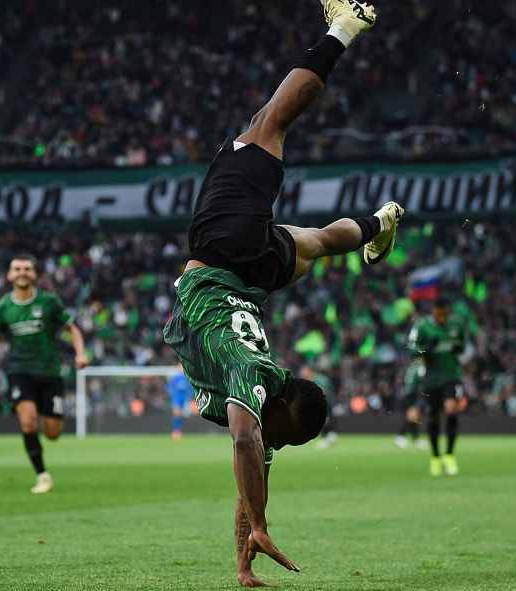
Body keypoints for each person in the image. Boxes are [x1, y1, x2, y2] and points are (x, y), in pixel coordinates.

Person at [163, 1, 401, 586]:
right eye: (284, 437)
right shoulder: (254, 384)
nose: (275, 445)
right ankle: (346, 26)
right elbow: (246, 447)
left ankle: (378, 223)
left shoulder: (263, 410)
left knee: (312, 241)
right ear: (282, 404)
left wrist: (244, 562)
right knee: (268, 125)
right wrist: (263, 524)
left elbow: (252, 478)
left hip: (249, 277)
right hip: (226, 256)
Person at [0, 255, 88, 494]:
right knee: (27, 421)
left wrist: (80, 354)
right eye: (17, 268)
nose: (22, 272)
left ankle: (42, 420)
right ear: (10, 275)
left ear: (35, 274)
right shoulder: (3, 307)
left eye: (27, 268)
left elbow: (72, 329)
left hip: (50, 372)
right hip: (20, 370)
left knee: (53, 432)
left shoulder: (49, 302)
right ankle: (42, 475)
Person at [408, 298, 467, 477]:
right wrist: (427, 349)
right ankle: (435, 457)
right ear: (433, 312)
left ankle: (449, 455)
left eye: (444, 313)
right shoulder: (422, 326)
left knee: (451, 409)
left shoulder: (456, 324)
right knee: (433, 417)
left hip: (451, 376)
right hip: (431, 379)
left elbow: (461, 346)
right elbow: (411, 350)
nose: (442, 317)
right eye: (438, 313)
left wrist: (457, 347)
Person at [300, 366, 337, 449]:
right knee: (324, 420)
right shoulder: (314, 379)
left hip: (326, 402)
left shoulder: (320, 379)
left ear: (310, 371)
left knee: (323, 420)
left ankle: (325, 439)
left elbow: (323, 391)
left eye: (304, 371)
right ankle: (331, 436)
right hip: (324, 402)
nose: (303, 373)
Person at [394, 359, 428, 450]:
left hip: (408, 394)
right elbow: (422, 380)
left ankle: (415, 439)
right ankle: (401, 436)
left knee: (415, 417)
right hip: (413, 394)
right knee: (412, 417)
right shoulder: (420, 368)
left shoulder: (411, 367)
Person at [166, 364, 193, 440]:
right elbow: (169, 387)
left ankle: (181, 430)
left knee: (184, 415)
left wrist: (190, 397)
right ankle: (176, 431)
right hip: (177, 398)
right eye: (180, 366)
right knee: (177, 413)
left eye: (182, 366)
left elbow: (191, 388)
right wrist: (172, 395)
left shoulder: (188, 377)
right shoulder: (175, 377)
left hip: (185, 399)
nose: (181, 368)